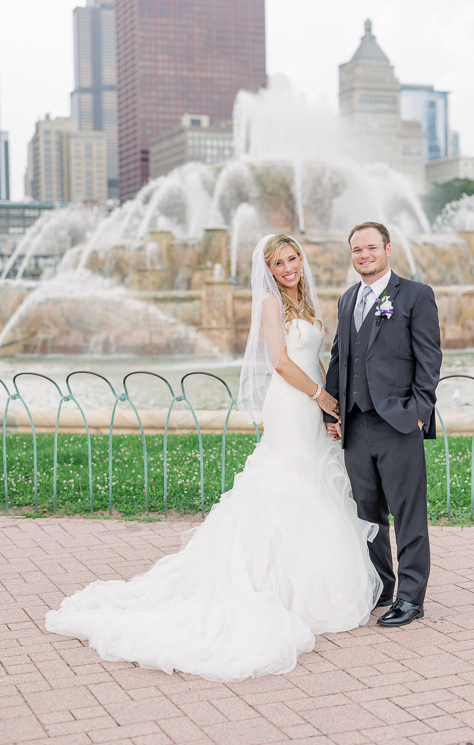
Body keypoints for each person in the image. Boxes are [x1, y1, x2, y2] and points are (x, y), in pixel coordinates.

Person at [46, 234, 382, 683]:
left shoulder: (306, 300)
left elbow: (315, 356)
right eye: (278, 263)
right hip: (289, 405)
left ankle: (313, 587)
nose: (287, 268)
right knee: (283, 484)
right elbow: (280, 361)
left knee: (315, 486)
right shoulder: (269, 304)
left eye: (292, 259)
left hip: (313, 406)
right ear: (267, 269)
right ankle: (272, 585)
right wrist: (320, 395)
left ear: (301, 260)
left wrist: (330, 407)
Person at [324, 222, 442, 627]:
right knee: (368, 513)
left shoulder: (415, 295)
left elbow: (429, 361)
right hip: (356, 425)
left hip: (398, 422)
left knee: (409, 512)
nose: (363, 255)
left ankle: (412, 597)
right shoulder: (347, 299)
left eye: (371, 248)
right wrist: (332, 411)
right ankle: (381, 586)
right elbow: (341, 357)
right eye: (356, 250)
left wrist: (419, 413)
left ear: (388, 249)